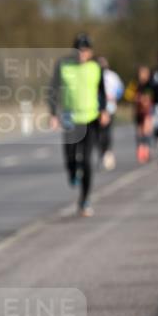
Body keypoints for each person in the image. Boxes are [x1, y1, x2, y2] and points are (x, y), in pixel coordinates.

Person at [49, 34, 109, 217]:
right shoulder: (63, 65)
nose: (82, 54)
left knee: (87, 160)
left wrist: (104, 110)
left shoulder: (96, 67)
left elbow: (102, 91)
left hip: (90, 118)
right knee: (70, 156)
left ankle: (84, 200)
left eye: (85, 51)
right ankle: (72, 171)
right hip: (69, 118)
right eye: (79, 50)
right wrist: (53, 114)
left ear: (90, 52)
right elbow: (53, 90)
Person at [95, 56, 123, 170]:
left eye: (103, 62)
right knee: (97, 133)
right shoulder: (94, 75)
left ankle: (107, 153)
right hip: (96, 109)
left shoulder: (112, 76)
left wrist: (113, 96)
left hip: (109, 108)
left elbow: (120, 90)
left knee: (107, 132)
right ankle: (101, 153)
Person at [123, 65, 154, 164]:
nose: (142, 75)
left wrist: (148, 99)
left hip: (148, 111)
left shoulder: (151, 84)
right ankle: (140, 149)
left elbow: (154, 95)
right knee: (139, 131)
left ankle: (147, 149)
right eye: (141, 73)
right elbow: (127, 94)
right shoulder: (135, 83)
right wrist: (136, 97)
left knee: (146, 129)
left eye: (145, 73)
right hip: (138, 110)